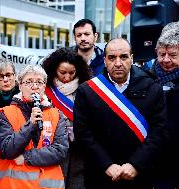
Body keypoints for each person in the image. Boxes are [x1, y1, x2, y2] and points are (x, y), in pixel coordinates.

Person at [73, 38, 168, 189]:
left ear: (131, 58)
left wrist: (136, 164)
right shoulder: (87, 90)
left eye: (123, 57)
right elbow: (83, 133)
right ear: (104, 60)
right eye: (112, 58)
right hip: (100, 175)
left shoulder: (152, 88)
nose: (118, 63)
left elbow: (159, 131)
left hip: (139, 175)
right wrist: (106, 165)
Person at [0, 65, 69, 189]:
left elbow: (60, 150)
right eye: (29, 82)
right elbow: (7, 149)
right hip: (15, 185)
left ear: (44, 86)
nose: (35, 86)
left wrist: (26, 157)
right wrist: (30, 125)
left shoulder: (57, 115)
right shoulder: (6, 113)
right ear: (20, 86)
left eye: (39, 82)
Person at [42, 47, 91, 188]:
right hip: (53, 146)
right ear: (53, 70)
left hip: (79, 148)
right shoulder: (45, 90)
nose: (67, 77)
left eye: (72, 73)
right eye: (62, 73)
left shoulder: (86, 88)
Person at [151, 21, 179, 189]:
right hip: (155, 160)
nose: (166, 60)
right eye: (162, 54)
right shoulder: (145, 78)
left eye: (173, 55)